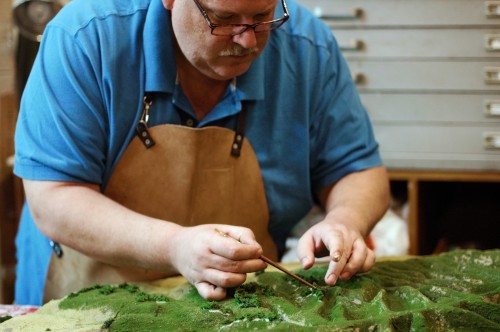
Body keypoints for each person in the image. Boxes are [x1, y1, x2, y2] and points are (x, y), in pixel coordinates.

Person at [13, 0, 390, 306]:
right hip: (88, 298)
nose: (248, 41)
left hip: (237, 309)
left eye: (262, 17)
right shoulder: (86, 38)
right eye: (224, 19)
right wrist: (175, 246)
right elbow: (53, 197)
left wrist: (346, 221)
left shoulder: (308, 48)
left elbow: (357, 169)